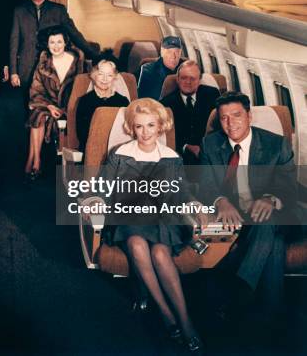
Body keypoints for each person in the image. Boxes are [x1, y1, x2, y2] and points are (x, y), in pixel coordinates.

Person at [103, 98, 204, 351]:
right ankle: (168, 316)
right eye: (139, 126)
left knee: (160, 252)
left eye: (151, 125)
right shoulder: (119, 154)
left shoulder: (172, 158)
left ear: (161, 127)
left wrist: (195, 205)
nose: (145, 132)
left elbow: (181, 194)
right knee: (137, 244)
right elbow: (102, 189)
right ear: (132, 128)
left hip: (162, 220)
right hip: (128, 217)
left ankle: (184, 319)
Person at [199, 92, 297, 322]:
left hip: (275, 214)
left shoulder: (276, 144)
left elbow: (290, 190)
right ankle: (269, 316)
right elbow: (204, 186)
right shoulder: (210, 144)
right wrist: (220, 201)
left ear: (249, 116)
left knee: (269, 221)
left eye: (237, 115)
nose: (230, 123)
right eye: (224, 118)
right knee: (274, 243)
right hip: (238, 216)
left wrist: (270, 198)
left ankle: (235, 292)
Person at [9, 0, 96, 93]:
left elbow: (74, 34)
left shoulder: (58, 10)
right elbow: (14, 41)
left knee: (49, 100)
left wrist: (95, 56)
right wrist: (13, 71)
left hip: (51, 66)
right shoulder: (19, 10)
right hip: (26, 67)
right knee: (28, 102)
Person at [25, 25, 85, 179]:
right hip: (48, 105)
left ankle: (31, 160)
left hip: (71, 106)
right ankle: (37, 160)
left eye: (59, 42)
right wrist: (49, 106)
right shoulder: (44, 64)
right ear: (47, 44)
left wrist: (65, 108)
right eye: (52, 42)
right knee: (38, 113)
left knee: (37, 115)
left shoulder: (78, 62)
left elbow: (82, 91)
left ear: (65, 43)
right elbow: (35, 91)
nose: (56, 46)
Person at [160, 60, 219, 165]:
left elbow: (219, 125)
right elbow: (164, 136)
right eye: (184, 78)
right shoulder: (166, 104)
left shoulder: (212, 95)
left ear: (199, 80)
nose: (188, 82)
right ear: (177, 79)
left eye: (192, 78)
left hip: (210, 150)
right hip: (180, 155)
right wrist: (186, 146)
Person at [75, 58, 130, 151]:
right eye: (101, 74)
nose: (105, 79)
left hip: (117, 149)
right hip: (92, 149)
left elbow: (127, 132)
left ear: (114, 77)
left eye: (109, 75)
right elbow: (82, 135)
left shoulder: (123, 101)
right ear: (94, 75)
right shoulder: (84, 101)